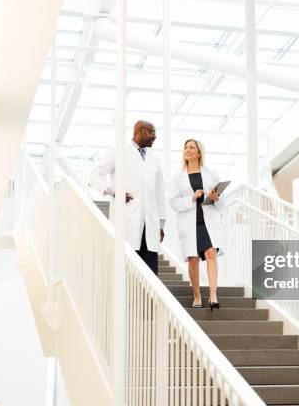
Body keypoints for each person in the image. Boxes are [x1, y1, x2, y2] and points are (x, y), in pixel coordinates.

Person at [89, 120, 166, 274]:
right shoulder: (118, 151)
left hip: (149, 225)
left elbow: (159, 194)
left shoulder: (155, 161)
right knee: (127, 270)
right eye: (151, 132)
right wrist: (114, 192)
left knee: (150, 273)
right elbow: (95, 174)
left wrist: (161, 225)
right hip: (127, 221)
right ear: (139, 131)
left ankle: (147, 299)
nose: (155, 136)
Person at [169, 139, 224, 310]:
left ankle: (213, 297)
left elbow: (222, 200)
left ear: (199, 152)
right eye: (186, 147)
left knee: (210, 254)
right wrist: (191, 198)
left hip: (207, 222)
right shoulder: (178, 178)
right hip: (189, 223)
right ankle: (197, 296)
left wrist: (216, 198)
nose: (188, 150)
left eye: (192, 147)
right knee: (193, 260)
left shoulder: (211, 173)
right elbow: (173, 203)